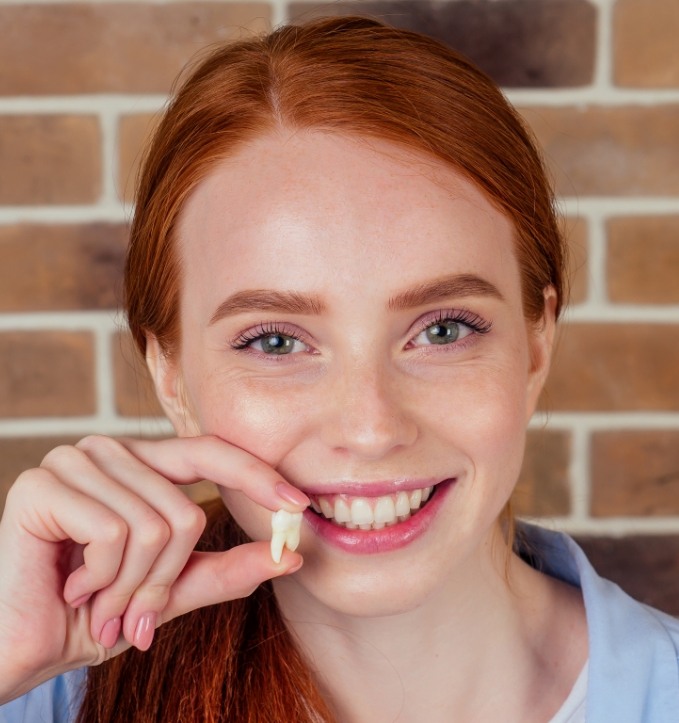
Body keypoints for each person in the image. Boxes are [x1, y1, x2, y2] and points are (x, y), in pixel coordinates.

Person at [0, 15, 677, 723]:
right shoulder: (40, 692)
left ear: (536, 345)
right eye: (275, 343)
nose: (370, 426)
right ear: (170, 375)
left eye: (442, 329)